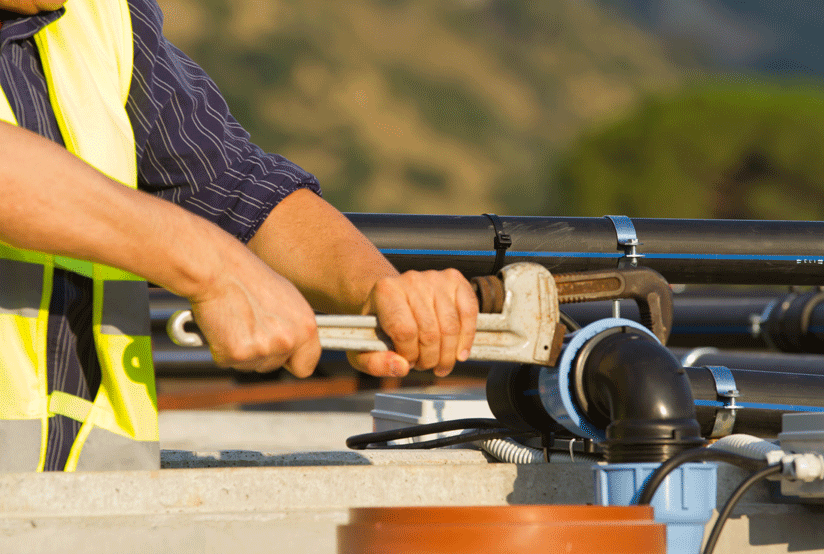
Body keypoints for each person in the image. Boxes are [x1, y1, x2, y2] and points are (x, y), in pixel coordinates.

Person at [0, 0, 478, 471]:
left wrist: (375, 292)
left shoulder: (104, 15)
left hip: (92, 498)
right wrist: (211, 266)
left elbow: (233, 188)